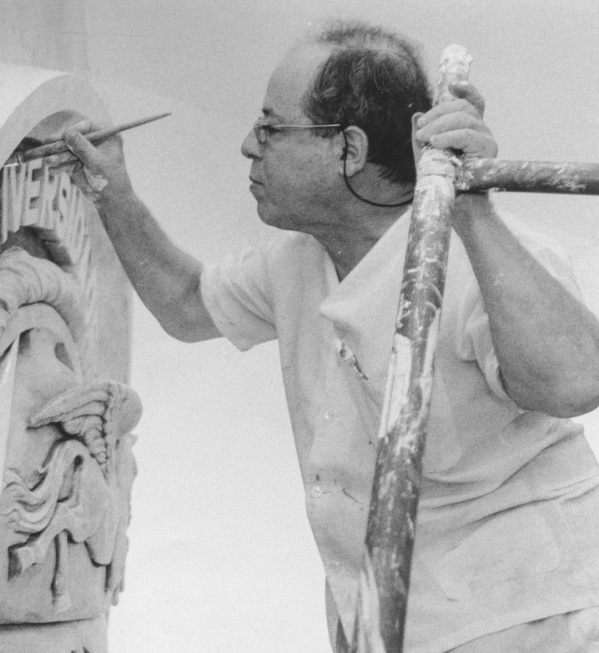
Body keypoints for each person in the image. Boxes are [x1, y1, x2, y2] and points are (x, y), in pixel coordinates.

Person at [58, 19, 599, 653]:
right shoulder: (297, 263)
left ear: (350, 149)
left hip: (529, 620)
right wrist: (112, 190)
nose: (247, 146)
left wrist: (469, 202)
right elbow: (184, 304)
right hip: (383, 622)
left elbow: (573, 383)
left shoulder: (489, 257)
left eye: (270, 128)